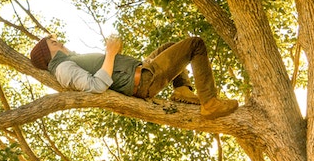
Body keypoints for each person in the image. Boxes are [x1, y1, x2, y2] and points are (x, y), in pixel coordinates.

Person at [28, 33, 239, 118]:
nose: (60, 42)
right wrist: (110, 53)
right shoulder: (63, 68)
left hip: (142, 72)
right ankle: (210, 103)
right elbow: (96, 85)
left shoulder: (69, 61)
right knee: (195, 44)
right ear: (49, 53)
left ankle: (182, 89)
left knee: (170, 47)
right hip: (143, 80)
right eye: (54, 43)